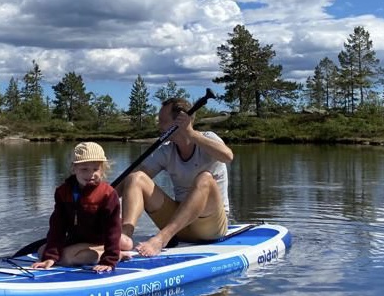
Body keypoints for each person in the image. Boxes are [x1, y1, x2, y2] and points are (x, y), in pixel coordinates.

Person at [118, 97, 233, 257]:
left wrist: (191, 134)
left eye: (163, 121)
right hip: (180, 226)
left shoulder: (208, 138)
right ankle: (125, 237)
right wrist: (98, 199)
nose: (159, 126)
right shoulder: (166, 150)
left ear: (181, 121)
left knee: (205, 178)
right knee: (136, 177)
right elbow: (130, 184)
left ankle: (161, 239)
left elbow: (228, 156)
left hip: (210, 227)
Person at [32, 142, 121, 272]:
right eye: (84, 169)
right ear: (74, 169)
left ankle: (117, 253)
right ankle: (120, 247)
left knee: (67, 259)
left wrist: (109, 259)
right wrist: (50, 257)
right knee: (42, 251)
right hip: (77, 239)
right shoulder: (63, 192)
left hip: (99, 239)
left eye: (95, 169)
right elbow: (58, 225)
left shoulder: (108, 194)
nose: (90, 174)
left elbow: (112, 228)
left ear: (102, 169)